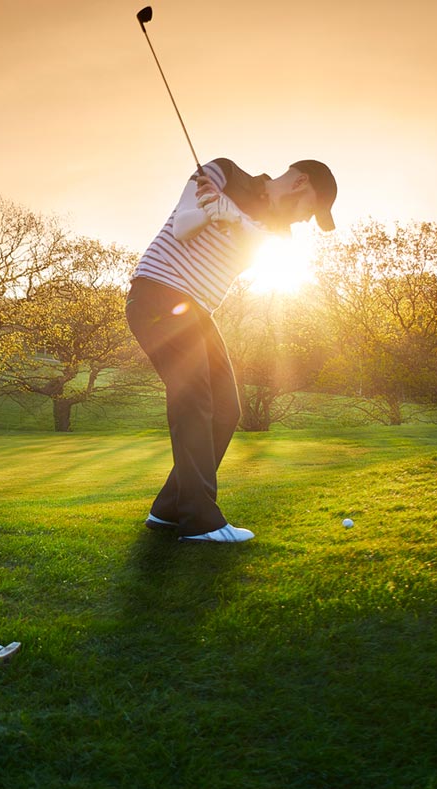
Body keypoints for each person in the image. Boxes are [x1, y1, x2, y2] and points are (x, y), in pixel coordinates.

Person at [126, 158, 337, 543]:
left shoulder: (279, 232)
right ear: (301, 183)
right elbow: (184, 226)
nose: (308, 219)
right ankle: (201, 521)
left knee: (227, 409)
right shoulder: (223, 172)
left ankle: (168, 510)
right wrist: (212, 212)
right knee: (195, 400)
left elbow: (263, 245)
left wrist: (230, 214)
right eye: (312, 208)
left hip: (195, 311)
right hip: (159, 294)